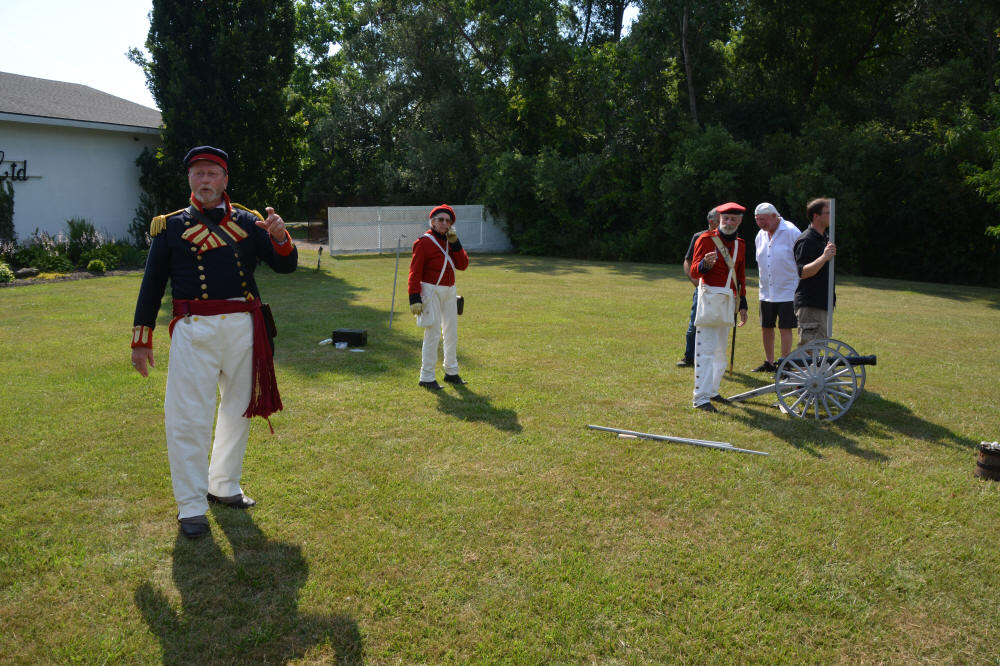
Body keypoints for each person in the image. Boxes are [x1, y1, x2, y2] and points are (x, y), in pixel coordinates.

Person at [130, 146, 298, 539]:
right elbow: (152, 284)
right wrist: (142, 338)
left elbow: (285, 265)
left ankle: (223, 484)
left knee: (239, 411)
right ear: (190, 179)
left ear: (225, 179)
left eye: (212, 173)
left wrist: (280, 237)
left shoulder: (249, 221)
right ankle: (191, 505)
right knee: (189, 418)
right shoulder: (170, 226)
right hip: (194, 330)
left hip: (244, 328)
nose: (204, 180)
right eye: (198, 173)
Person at [689, 202, 749, 412]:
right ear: (719, 219)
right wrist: (705, 265)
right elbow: (694, 271)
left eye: (733, 219)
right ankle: (701, 398)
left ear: (739, 221)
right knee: (705, 350)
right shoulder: (705, 240)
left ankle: (713, 391)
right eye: (725, 218)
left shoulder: (741, 244)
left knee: (720, 352)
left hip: (729, 300)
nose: (729, 222)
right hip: (710, 298)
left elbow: (740, 276)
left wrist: (743, 304)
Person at [408, 204, 470, 390]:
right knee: (433, 333)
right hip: (431, 290)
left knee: (451, 333)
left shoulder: (451, 241)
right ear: (433, 222)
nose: (444, 223)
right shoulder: (423, 242)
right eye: (440, 219)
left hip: (450, 290)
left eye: (447, 221)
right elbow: (414, 272)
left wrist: (456, 243)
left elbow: (463, 265)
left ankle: (451, 372)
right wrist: (414, 298)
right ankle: (426, 377)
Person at [752, 202, 800, 372]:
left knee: (785, 328)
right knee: (766, 327)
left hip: (787, 290)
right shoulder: (760, 235)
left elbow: (801, 260)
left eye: (763, 219)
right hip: (766, 290)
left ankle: (785, 365)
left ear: (774, 216)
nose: (760, 223)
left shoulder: (791, 231)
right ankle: (769, 363)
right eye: (757, 220)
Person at [676, 207, 720, 367]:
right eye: (720, 221)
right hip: (702, 288)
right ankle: (689, 357)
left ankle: (713, 359)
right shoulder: (699, 237)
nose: (725, 224)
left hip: (721, 290)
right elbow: (688, 261)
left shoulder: (729, 239)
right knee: (694, 324)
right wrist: (695, 281)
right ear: (711, 222)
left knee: (717, 325)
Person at [793, 198, 837, 346]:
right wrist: (824, 257)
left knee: (818, 348)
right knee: (809, 350)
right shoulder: (807, 240)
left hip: (822, 303)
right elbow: (803, 272)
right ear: (816, 216)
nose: (831, 216)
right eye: (828, 213)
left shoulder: (824, 238)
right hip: (811, 304)